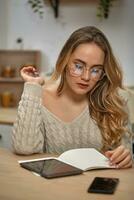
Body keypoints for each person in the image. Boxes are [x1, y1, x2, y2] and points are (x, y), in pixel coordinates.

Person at [12, 26, 133, 169]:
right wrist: (32, 85)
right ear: (64, 61)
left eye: (95, 70)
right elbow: (24, 148)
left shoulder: (115, 99)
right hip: (50, 188)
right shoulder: (39, 97)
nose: (86, 77)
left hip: (95, 188)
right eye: (78, 66)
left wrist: (125, 157)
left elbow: (124, 159)